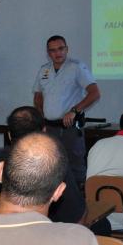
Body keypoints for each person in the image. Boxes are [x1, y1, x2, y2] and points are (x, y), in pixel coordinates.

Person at [0, 105, 109, 232]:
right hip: (47, 235)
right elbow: (76, 218)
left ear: (9, 134)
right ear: (44, 131)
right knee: (102, 225)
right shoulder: (53, 164)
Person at [32, 35, 100, 185]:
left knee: (75, 167)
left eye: (61, 48)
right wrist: (41, 118)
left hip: (70, 126)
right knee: (51, 166)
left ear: (67, 49)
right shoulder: (44, 70)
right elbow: (38, 97)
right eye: (53, 50)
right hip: (49, 127)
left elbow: (95, 93)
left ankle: (79, 204)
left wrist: (74, 110)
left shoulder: (76, 67)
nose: (58, 53)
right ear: (48, 53)